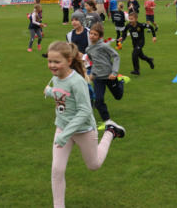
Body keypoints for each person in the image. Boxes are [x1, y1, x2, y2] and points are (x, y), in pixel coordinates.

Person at [44, 41, 125, 208]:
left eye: (56, 62)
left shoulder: (77, 82)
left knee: (94, 165)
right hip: (62, 128)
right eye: (50, 61)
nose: (52, 65)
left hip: (83, 130)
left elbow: (85, 111)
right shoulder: (55, 78)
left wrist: (65, 134)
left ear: (69, 61)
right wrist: (50, 92)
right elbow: (63, 96)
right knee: (56, 170)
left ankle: (110, 131)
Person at [86, 23, 124, 124]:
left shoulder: (104, 46)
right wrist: (93, 73)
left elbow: (116, 56)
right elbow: (94, 62)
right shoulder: (88, 49)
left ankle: (122, 82)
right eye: (91, 33)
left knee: (118, 96)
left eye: (95, 34)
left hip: (110, 76)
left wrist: (114, 72)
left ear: (100, 37)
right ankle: (107, 120)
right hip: (98, 78)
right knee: (98, 100)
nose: (92, 36)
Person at [118, 11, 157, 76]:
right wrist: (122, 38)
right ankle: (149, 60)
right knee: (141, 56)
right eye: (129, 19)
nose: (130, 20)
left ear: (136, 19)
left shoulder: (141, 25)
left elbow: (151, 27)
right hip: (134, 43)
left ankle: (136, 70)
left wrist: (154, 36)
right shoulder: (128, 25)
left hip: (141, 42)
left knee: (134, 54)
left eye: (132, 19)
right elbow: (124, 33)